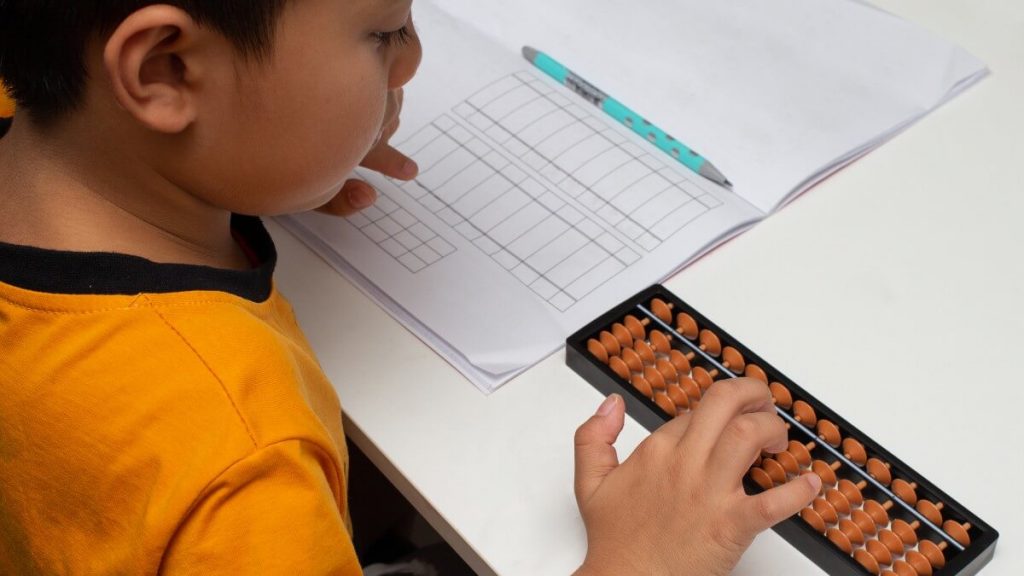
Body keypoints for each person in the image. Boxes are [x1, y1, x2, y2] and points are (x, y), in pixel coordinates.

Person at [0, 1, 820, 574]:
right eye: (383, 32)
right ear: (166, 70)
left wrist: (252, 165)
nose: (414, 58)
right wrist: (638, 564)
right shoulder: (242, 466)